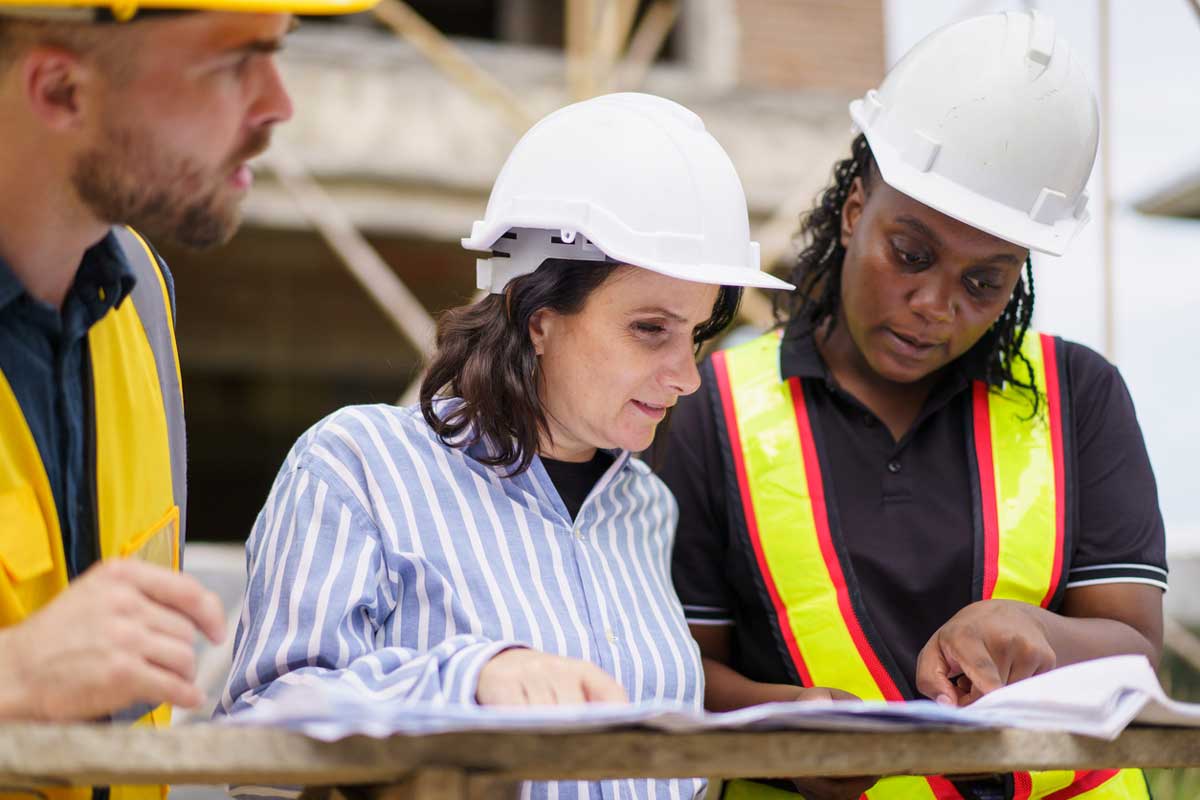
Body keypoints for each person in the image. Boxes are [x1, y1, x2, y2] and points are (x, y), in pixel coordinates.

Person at [216, 92, 798, 800]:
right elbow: (260, 728)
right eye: (651, 329)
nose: (686, 377)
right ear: (536, 314)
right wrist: (471, 680)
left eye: (697, 335)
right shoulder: (358, 464)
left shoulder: (645, 508)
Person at [657, 12, 1166, 800]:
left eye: (984, 282)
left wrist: (1036, 632)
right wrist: (781, 727)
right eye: (912, 254)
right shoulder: (707, 413)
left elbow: (1134, 651)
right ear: (856, 208)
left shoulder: (1080, 397)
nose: (934, 304)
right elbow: (673, 669)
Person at [0, 0, 373, 789]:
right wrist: (14, 679)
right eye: (235, 63)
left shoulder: (140, 301)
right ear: (62, 88)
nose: (279, 104)